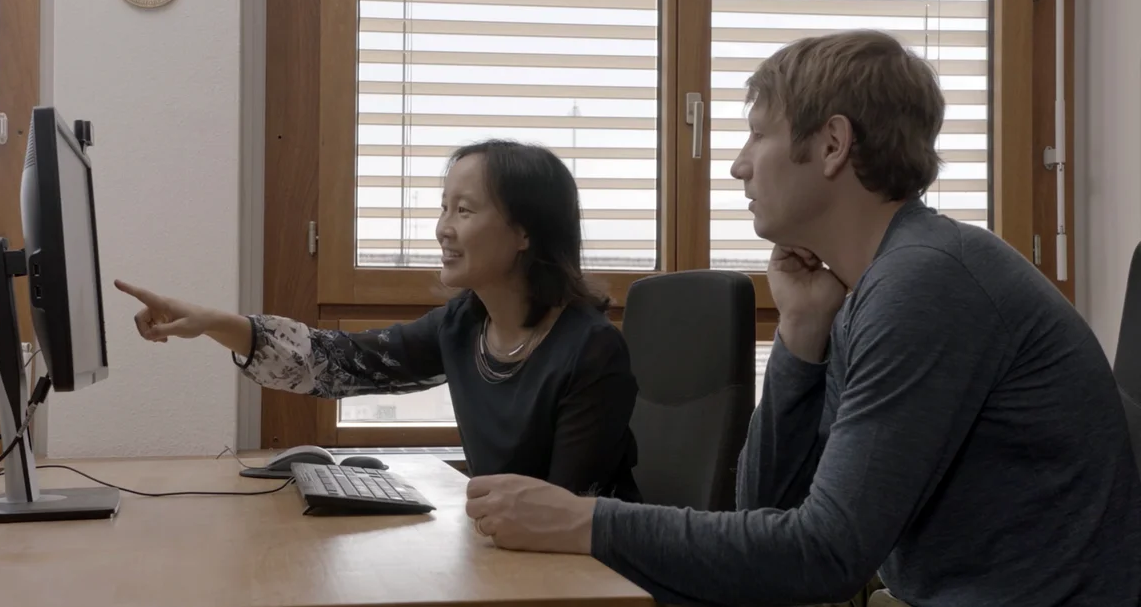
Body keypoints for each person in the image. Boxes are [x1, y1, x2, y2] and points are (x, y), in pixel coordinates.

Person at [462, 30, 1141, 607]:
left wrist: (585, 519)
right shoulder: (872, 283)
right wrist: (800, 336)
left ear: (832, 144)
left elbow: (824, 554)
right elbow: (766, 509)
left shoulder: (926, 283)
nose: (735, 164)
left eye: (758, 133)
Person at [117, 139, 642, 503]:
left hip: (589, 579)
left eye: (464, 210)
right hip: (503, 551)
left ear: (525, 231)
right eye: (443, 208)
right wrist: (214, 322)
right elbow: (336, 362)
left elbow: (565, 516)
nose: (442, 229)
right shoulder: (463, 326)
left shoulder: (590, 350)